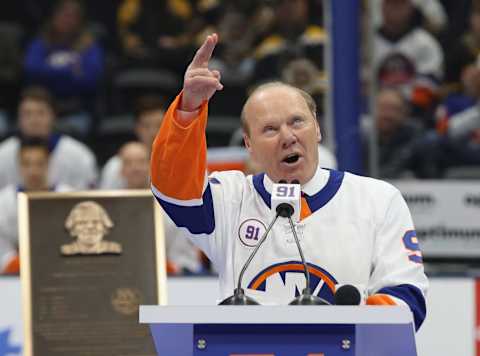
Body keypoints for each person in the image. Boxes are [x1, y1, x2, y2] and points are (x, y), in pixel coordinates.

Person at [150, 34, 428, 330]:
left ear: (317, 129)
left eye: (297, 122)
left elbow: (406, 297)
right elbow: (174, 190)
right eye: (270, 129)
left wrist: (347, 329)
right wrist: (189, 108)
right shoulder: (230, 199)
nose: (287, 136)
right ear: (249, 145)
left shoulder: (377, 199)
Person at [0, 86, 97, 190]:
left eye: (41, 113)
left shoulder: (79, 155)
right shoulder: (3, 155)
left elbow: (88, 201)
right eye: (27, 114)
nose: (34, 120)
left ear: (53, 116)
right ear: (18, 118)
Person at [0, 138, 70, 274]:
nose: (33, 171)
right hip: (16, 275)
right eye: (27, 164)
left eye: (39, 164)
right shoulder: (3, 201)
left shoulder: (67, 196)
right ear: (19, 166)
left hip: (62, 272)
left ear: (49, 163)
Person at [99, 95, 164, 189]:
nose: (153, 132)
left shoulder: (176, 163)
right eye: (147, 126)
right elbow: (106, 202)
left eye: (159, 125)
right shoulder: (115, 165)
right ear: (137, 128)